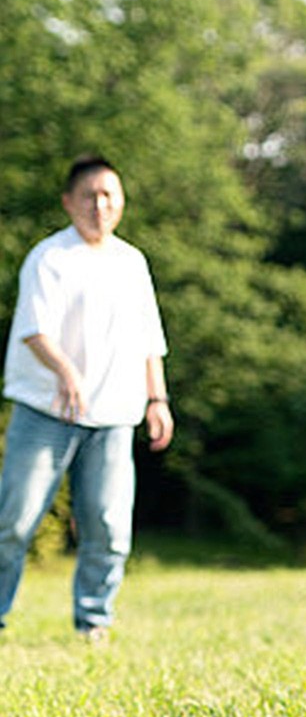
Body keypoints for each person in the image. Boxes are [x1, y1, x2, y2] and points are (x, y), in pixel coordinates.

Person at [0, 154, 174, 641]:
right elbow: (35, 330)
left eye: (109, 196)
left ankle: (93, 623)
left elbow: (148, 340)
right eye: (89, 196)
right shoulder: (49, 257)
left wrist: (156, 400)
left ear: (120, 203)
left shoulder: (131, 262)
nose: (100, 205)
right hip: (46, 412)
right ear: (68, 202)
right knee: (14, 521)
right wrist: (67, 372)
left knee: (108, 526)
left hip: (115, 415)